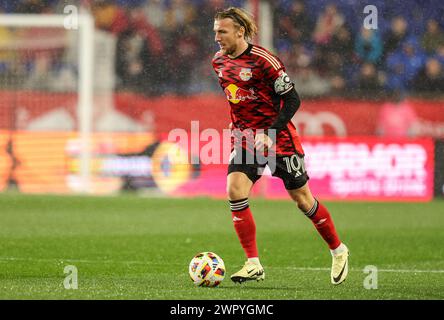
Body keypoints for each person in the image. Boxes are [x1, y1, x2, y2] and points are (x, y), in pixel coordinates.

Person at [212, 7, 349, 285]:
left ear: (240, 31)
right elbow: (236, 98)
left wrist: (271, 132)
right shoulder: (218, 62)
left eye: (222, 31)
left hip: (279, 140)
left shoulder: (265, 61)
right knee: (235, 189)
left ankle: (338, 250)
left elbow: (294, 100)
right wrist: (235, 124)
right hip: (246, 139)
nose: (216, 37)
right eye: (215, 31)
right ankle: (253, 264)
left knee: (302, 200)